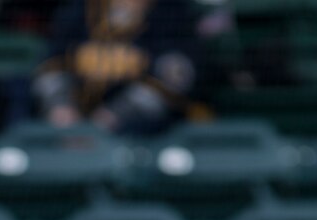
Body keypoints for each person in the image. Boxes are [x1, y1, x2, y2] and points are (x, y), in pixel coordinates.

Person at [34, 0, 197, 137]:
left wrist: (115, 115)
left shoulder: (171, 11)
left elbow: (175, 79)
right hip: (71, 128)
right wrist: (60, 106)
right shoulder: (79, 9)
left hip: (142, 135)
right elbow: (51, 65)